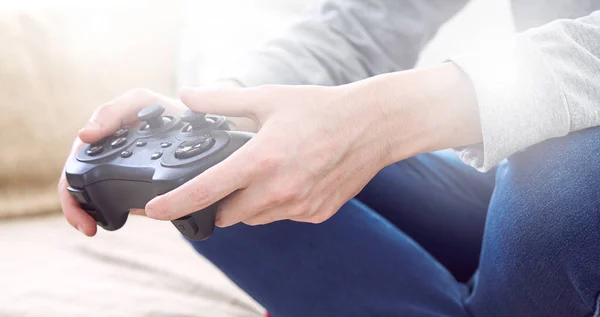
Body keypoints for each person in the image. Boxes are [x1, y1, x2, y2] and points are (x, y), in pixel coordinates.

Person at [58, 0, 600, 316]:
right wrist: (214, 111)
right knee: (221, 175)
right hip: (517, 167)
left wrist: (387, 117)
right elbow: (367, 19)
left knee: (564, 182)